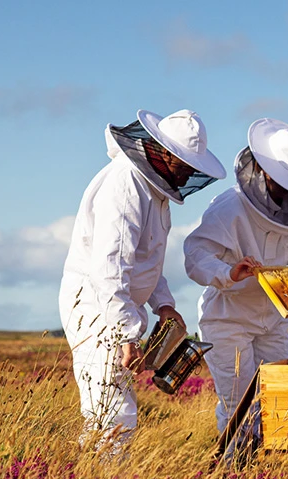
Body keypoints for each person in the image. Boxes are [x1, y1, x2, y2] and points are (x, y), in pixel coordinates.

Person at [184, 118, 288, 463]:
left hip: (274, 316)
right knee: (239, 402)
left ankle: (269, 470)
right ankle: (234, 471)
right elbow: (196, 255)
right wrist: (228, 272)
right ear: (263, 172)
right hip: (228, 318)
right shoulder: (229, 207)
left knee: (279, 398)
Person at [59, 109, 226, 456]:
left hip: (115, 304)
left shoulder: (154, 191)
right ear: (165, 153)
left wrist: (164, 305)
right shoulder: (126, 184)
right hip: (96, 305)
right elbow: (111, 266)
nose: (189, 173)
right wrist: (125, 333)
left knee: (113, 405)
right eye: (185, 164)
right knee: (111, 410)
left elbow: (146, 261)